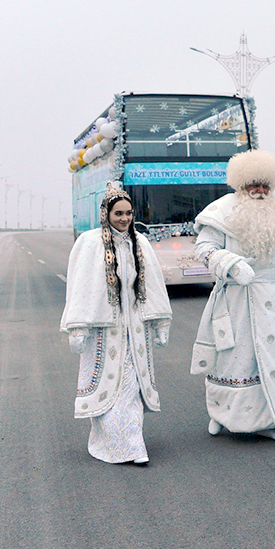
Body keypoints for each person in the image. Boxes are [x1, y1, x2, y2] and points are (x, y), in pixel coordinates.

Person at [189, 149, 275, 441]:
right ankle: (221, 416)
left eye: (265, 185)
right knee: (231, 359)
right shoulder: (221, 211)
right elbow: (204, 249)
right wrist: (232, 265)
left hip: (270, 299)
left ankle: (268, 421)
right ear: (242, 185)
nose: (260, 190)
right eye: (255, 184)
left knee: (270, 359)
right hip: (235, 298)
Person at [60, 184, 172, 465]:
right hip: (104, 329)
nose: (124, 218)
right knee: (107, 387)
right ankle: (110, 443)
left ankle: (133, 446)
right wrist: (78, 327)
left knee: (130, 388)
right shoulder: (89, 242)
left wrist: (159, 322)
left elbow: (154, 284)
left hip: (134, 330)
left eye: (129, 213)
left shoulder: (140, 243)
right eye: (118, 213)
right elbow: (81, 286)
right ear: (106, 213)